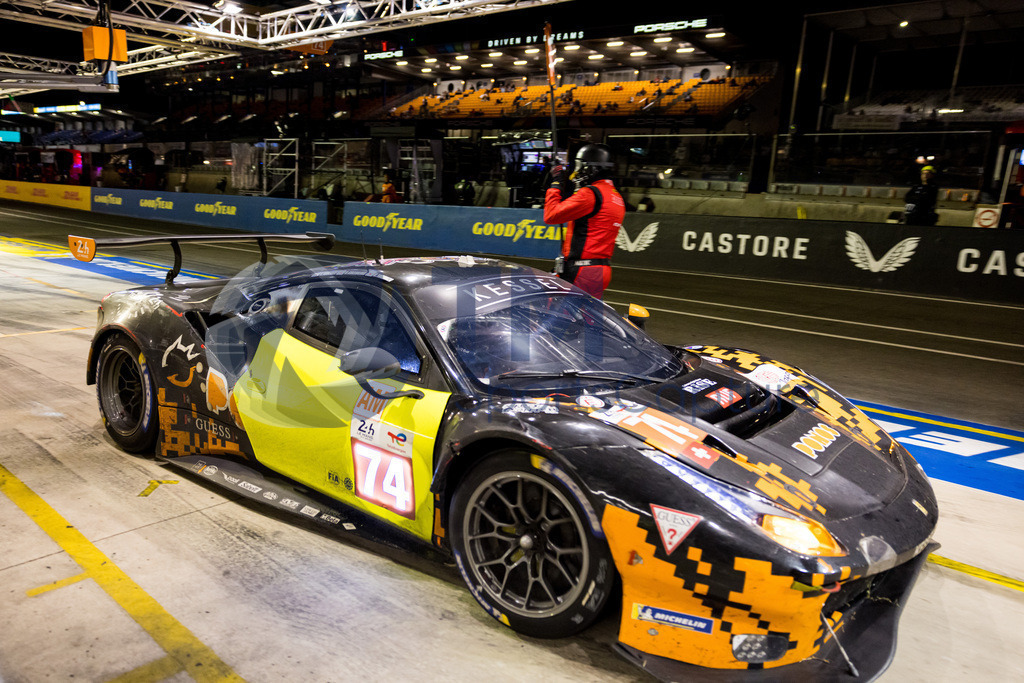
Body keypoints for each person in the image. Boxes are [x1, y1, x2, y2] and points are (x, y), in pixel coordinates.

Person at [544, 144, 625, 299]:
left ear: (591, 169)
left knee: (559, 316)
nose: (577, 172)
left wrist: (556, 183)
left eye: (580, 166)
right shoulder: (616, 198)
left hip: (582, 270)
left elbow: (551, 215)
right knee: (588, 319)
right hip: (601, 270)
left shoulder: (590, 194)